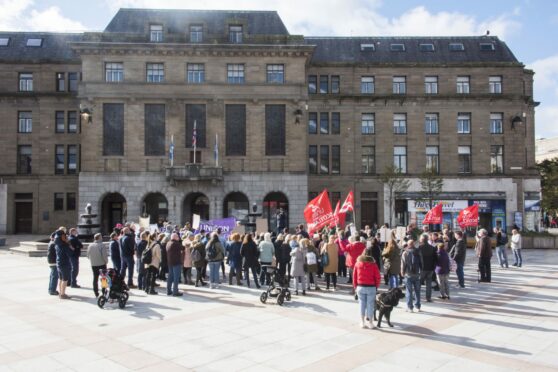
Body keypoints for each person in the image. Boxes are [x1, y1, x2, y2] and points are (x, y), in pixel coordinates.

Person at [353, 247, 382, 329]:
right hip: (371, 287)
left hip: (360, 286)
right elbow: (378, 277)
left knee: (361, 304)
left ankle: (362, 322)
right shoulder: (373, 264)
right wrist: (376, 286)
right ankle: (370, 323)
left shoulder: (357, 263)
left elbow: (354, 276)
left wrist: (355, 286)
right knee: (370, 305)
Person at [401, 240, 422, 312]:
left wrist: (402, 272)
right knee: (417, 291)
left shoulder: (405, 253)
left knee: (409, 291)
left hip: (408, 274)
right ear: (414, 244)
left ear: (408, 245)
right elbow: (421, 262)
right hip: (416, 274)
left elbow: (403, 264)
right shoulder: (418, 252)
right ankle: (418, 306)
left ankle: (410, 307)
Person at [87, 233, 108, 297]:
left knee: (95, 278)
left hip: (93, 264)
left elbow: (87, 255)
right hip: (101, 264)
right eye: (101, 236)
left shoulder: (90, 245)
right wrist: (106, 261)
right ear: (99, 238)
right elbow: (104, 255)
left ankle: (96, 292)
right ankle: (104, 290)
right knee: (104, 278)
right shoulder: (102, 245)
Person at [418, 234, 437, 302]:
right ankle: (428, 298)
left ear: (422, 240)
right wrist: (433, 267)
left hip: (422, 269)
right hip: (430, 268)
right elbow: (435, 259)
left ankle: (416, 296)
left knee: (418, 283)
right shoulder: (432, 248)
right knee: (428, 284)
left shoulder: (420, 248)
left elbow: (417, 259)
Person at [54, 230, 73, 299]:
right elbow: (71, 253)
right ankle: (63, 294)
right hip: (64, 264)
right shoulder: (64, 246)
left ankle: (60, 292)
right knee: (65, 280)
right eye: (65, 236)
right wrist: (68, 244)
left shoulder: (57, 245)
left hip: (59, 263)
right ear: (62, 237)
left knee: (61, 279)